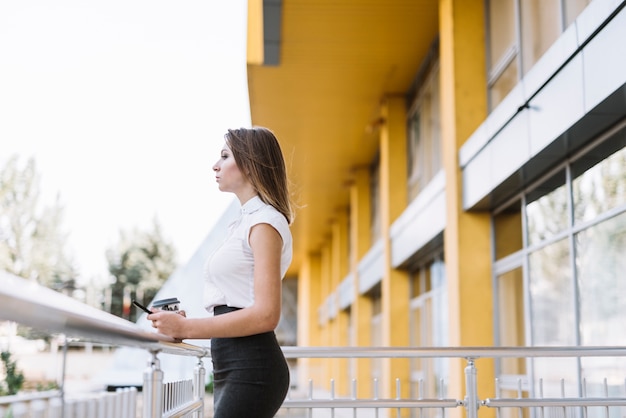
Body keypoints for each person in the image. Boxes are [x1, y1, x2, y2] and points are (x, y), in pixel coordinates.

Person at [147, 126, 294, 417]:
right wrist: (184, 324)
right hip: (233, 362)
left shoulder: (264, 223)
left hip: (252, 366)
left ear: (251, 164)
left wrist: (186, 328)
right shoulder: (244, 223)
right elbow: (234, 300)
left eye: (225, 156)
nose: (215, 165)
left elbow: (266, 314)